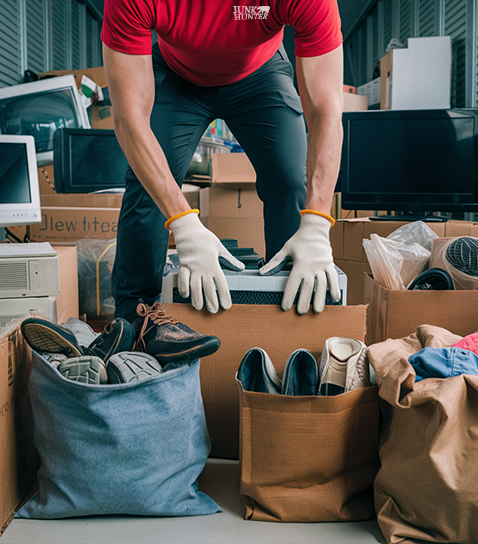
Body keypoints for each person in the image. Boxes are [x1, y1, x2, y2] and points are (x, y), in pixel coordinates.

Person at [100, 0, 343, 359]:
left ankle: (294, 304)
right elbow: (128, 120)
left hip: (260, 73)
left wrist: (318, 222)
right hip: (177, 75)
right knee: (148, 184)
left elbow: (326, 110)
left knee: (291, 179)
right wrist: (183, 223)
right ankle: (137, 320)